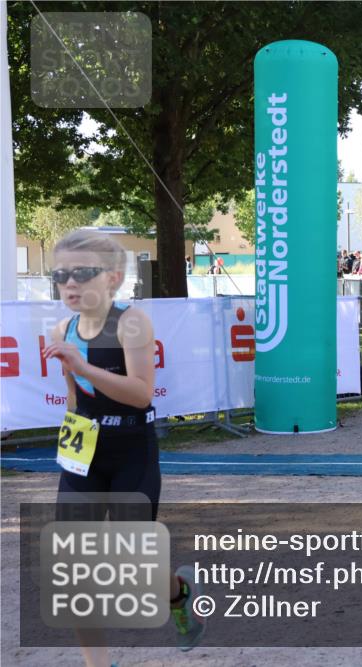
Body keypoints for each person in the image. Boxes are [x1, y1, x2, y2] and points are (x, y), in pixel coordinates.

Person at [44, 230, 206, 663]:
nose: (70, 284)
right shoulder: (63, 328)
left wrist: (79, 364)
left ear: (113, 278)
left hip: (132, 448)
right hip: (85, 455)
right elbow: (76, 396)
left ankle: (179, 594)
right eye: (60, 275)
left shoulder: (131, 322)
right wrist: (70, 444)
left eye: (82, 272)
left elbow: (140, 393)